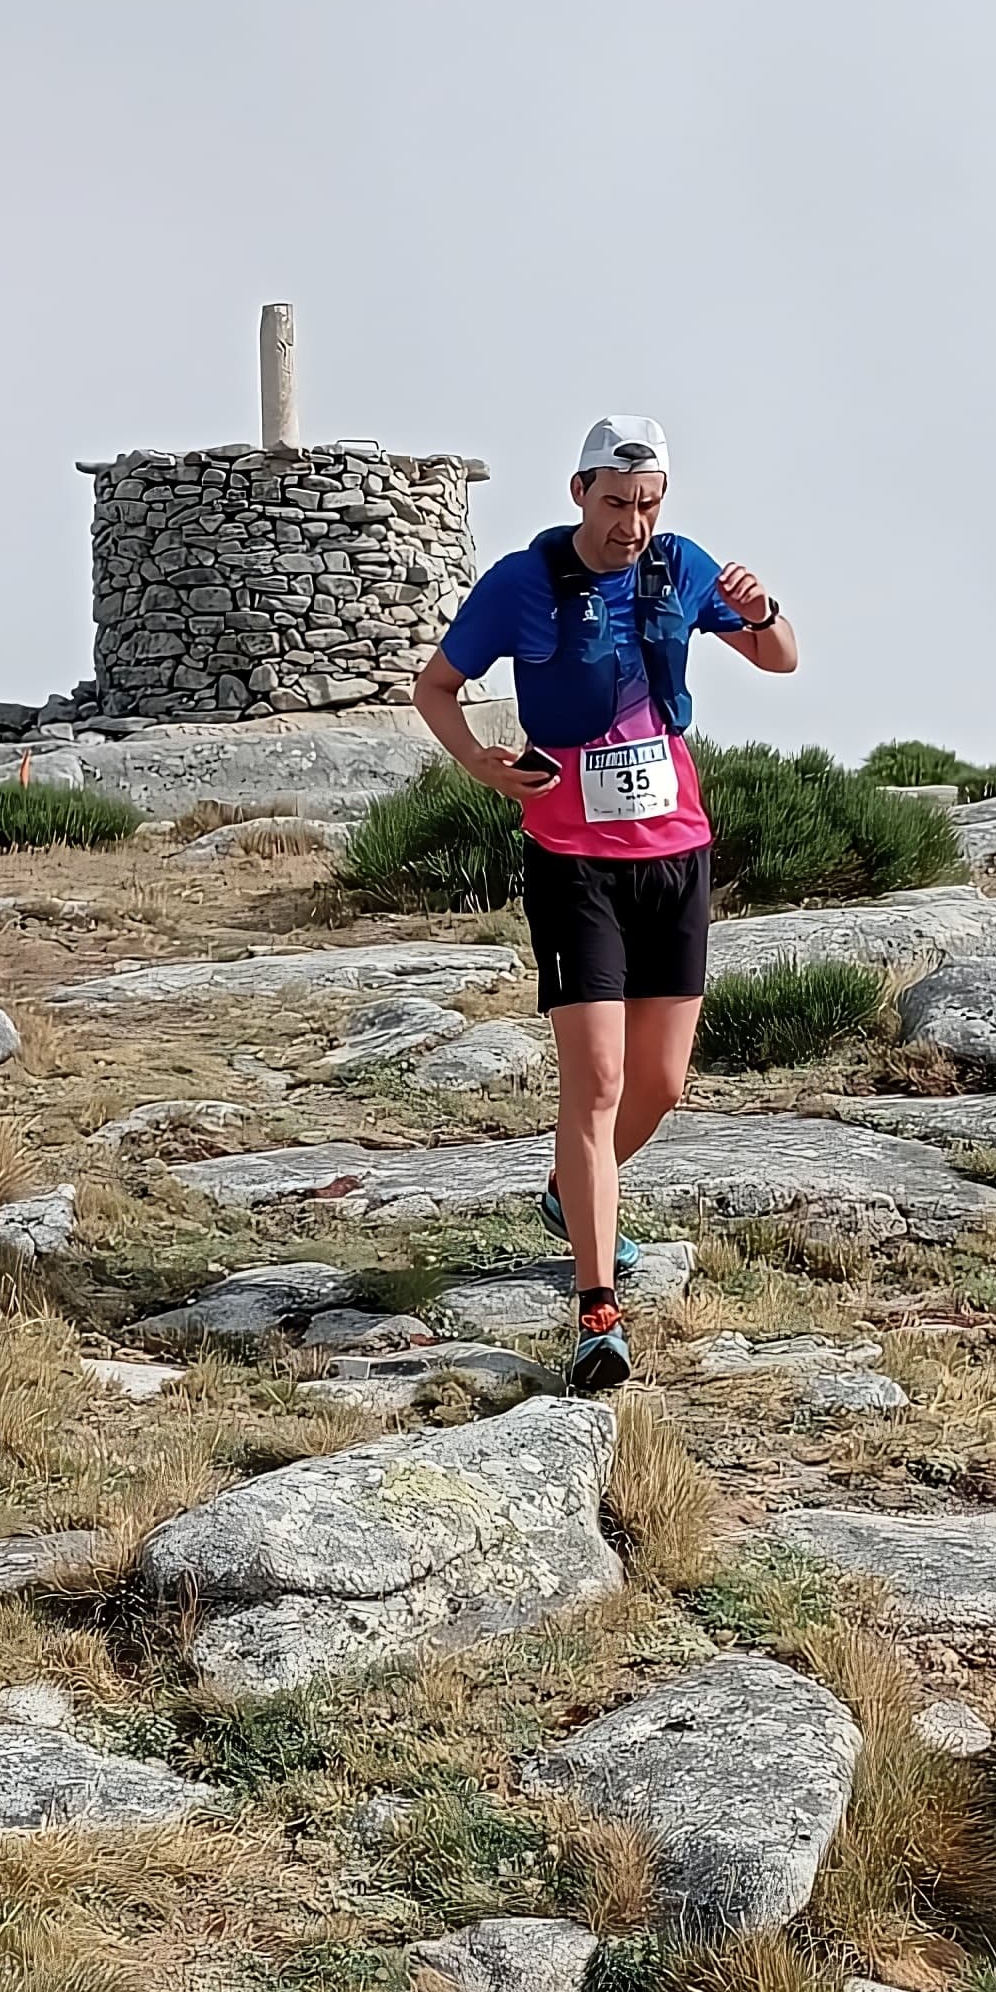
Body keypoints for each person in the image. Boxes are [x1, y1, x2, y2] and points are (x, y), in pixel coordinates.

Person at [412, 414, 797, 1393]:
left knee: (660, 1086)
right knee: (596, 1086)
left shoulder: (680, 568)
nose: (634, 524)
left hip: (676, 854)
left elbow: (781, 657)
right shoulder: (520, 585)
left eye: (650, 505)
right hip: (571, 860)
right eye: (619, 504)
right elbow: (438, 685)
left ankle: (570, 1193)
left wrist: (759, 609)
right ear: (580, 492)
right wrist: (481, 768)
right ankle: (597, 1312)